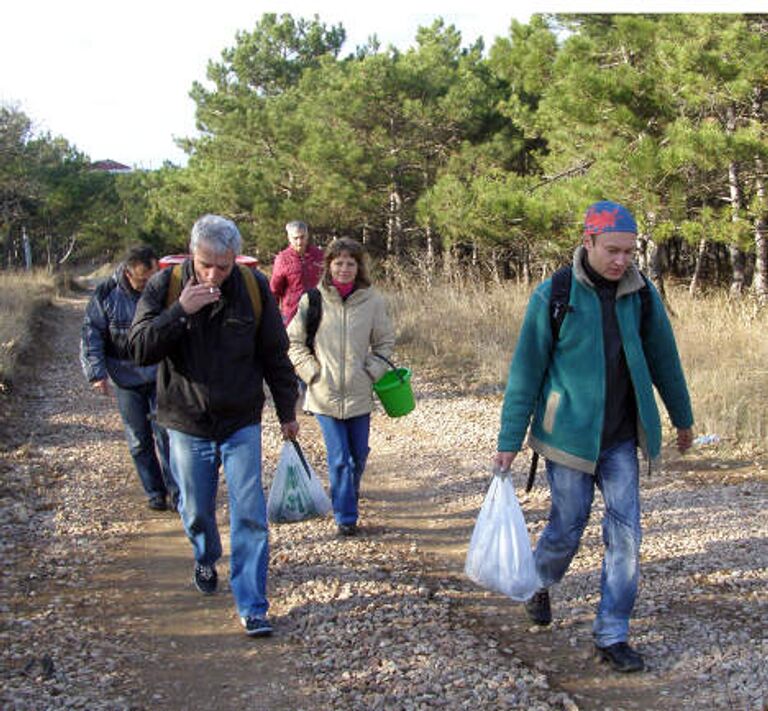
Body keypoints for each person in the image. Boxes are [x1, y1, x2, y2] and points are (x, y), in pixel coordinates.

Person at [493, 201, 694, 673]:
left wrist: (682, 420)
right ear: (588, 242)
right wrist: (508, 439)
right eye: (612, 250)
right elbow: (526, 371)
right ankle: (539, 580)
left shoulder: (642, 295)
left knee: (626, 537)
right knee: (567, 526)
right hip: (568, 436)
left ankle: (612, 634)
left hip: (621, 438)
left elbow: (665, 359)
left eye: (629, 251)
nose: (621, 260)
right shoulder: (554, 294)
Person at [128, 215, 298, 638]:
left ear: (235, 259)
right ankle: (205, 553)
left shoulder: (254, 289)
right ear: (192, 254)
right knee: (197, 509)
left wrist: (287, 412)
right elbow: (138, 349)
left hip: (240, 420)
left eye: (224, 266)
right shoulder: (163, 288)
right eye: (206, 264)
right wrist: (180, 312)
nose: (214, 274)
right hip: (185, 421)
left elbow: (276, 354)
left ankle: (253, 605)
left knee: (250, 514)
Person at [287, 237, 395, 536]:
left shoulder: (372, 300)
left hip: (360, 394)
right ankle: (345, 517)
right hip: (324, 396)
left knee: (359, 455)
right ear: (329, 266)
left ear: (359, 267)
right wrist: (311, 373)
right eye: (339, 263)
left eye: (351, 263)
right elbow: (294, 342)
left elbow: (385, 341)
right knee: (340, 459)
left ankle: (349, 492)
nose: (344, 269)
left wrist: (371, 371)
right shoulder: (313, 299)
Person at [80, 245, 178, 512]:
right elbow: (92, 334)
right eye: (142, 278)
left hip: (160, 375)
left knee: (168, 435)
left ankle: (177, 491)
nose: (148, 283)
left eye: (152, 277)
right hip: (126, 378)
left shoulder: (164, 289)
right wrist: (96, 373)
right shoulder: (105, 295)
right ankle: (154, 492)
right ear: (127, 272)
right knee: (138, 440)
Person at [270, 220, 324, 325]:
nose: (299, 242)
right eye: (295, 238)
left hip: (318, 311)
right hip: (292, 314)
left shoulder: (319, 256)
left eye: (302, 237)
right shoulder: (283, 259)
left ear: (307, 235)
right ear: (289, 238)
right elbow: (274, 290)